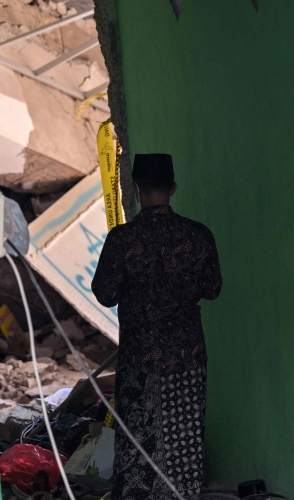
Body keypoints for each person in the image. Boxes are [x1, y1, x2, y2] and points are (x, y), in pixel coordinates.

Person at [92, 153, 223, 500]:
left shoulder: (122, 240)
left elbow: (104, 294)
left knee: (138, 447)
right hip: (187, 356)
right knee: (184, 444)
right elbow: (212, 289)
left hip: (140, 358)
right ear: (173, 188)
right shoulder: (198, 236)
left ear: (136, 189)